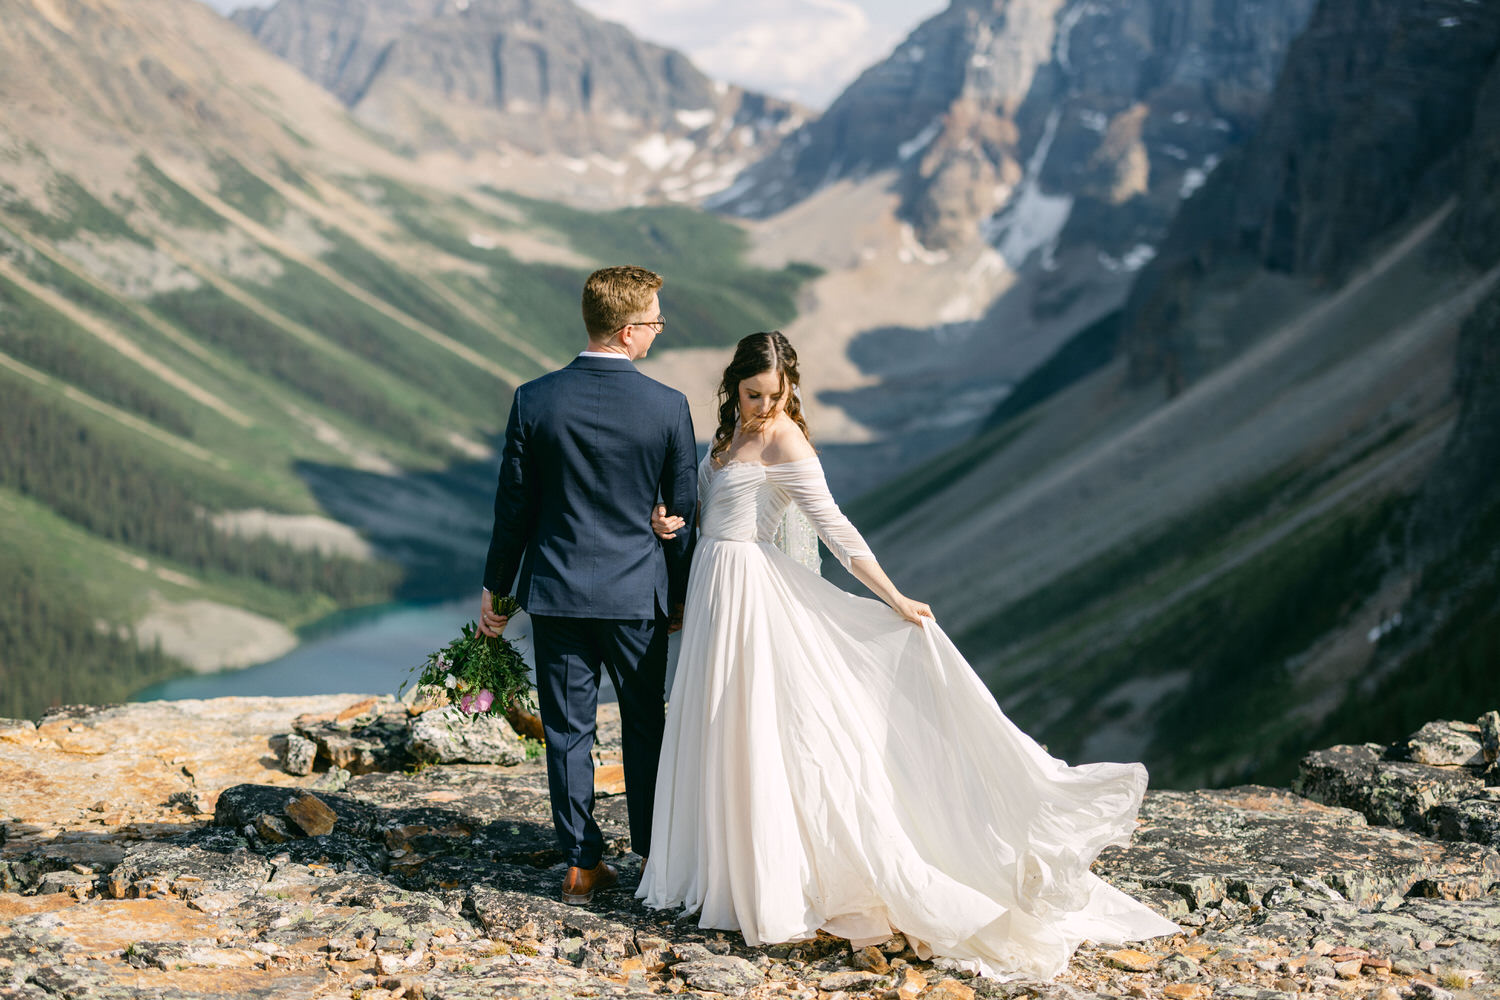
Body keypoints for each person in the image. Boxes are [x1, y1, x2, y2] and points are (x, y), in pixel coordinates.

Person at [639, 331, 1178, 979]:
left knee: (761, 727)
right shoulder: (725, 436)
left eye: (775, 395)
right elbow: (707, 512)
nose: (763, 405)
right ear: (735, 385)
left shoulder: (786, 438)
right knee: (717, 722)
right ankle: (719, 867)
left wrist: (893, 595)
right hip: (712, 586)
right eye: (753, 393)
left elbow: (834, 526)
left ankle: (773, 876)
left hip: (754, 592)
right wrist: (671, 523)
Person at [477, 265, 697, 906]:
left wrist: (498, 587)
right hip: (637, 600)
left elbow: (513, 508)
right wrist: (679, 596)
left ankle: (580, 863)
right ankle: (655, 859)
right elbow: (681, 514)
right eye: (654, 322)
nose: (657, 332)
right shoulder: (667, 406)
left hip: (558, 594)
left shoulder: (533, 399)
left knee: (569, 731)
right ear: (628, 331)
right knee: (644, 727)